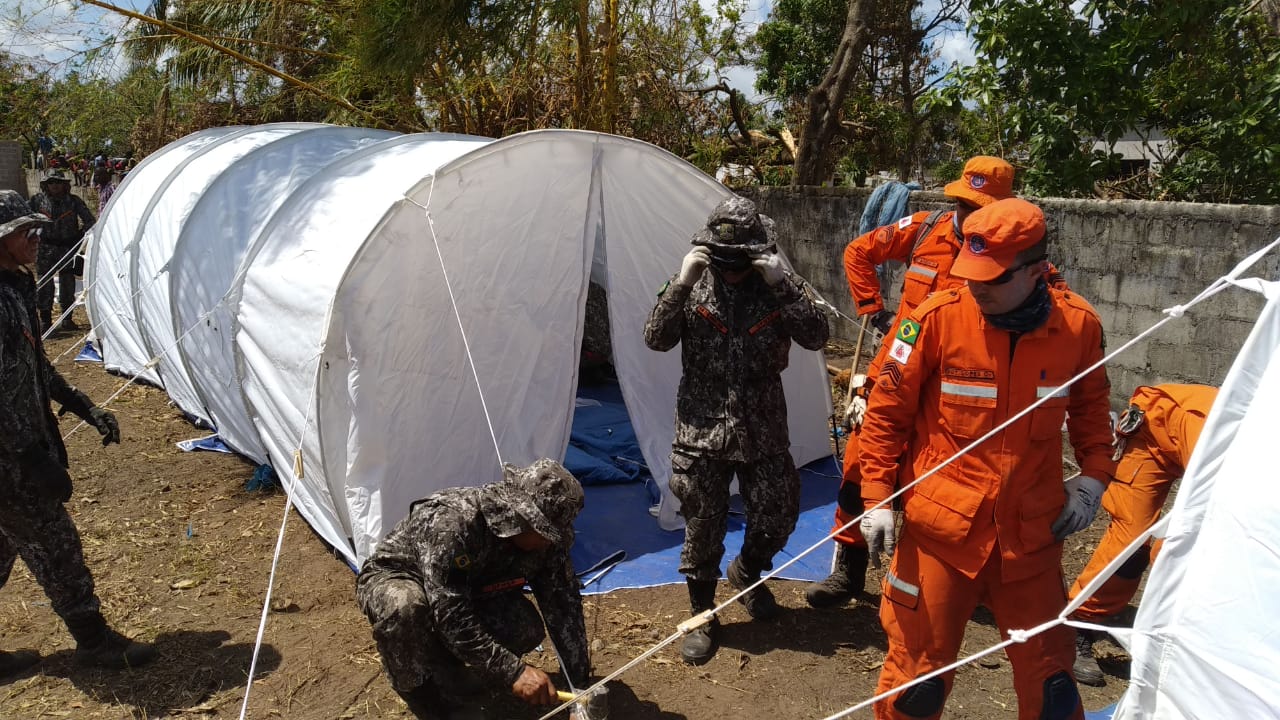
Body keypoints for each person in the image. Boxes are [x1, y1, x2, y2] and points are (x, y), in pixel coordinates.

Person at [857, 197, 1115, 720]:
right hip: (941, 536)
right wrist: (877, 498)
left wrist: (1092, 480)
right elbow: (886, 416)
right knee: (915, 685)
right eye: (971, 274)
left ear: (1038, 268)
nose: (976, 287)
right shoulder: (936, 320)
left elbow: (1092, 410)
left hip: (1031, 537)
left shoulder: (1079, 328)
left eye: (992, 279)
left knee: (1053, 689)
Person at [808, 156, 1071, 608]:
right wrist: (873, 308)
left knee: (943, 479)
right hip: (898, 365)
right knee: (859, 466)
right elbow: (859, 252)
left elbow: (1058, 309)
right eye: (963, 203)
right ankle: (848, 574)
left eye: (981, 205)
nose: (968, 214)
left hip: (959, 384)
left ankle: (933, 584)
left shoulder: (1019, 259)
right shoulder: (926, 229)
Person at [644, 196, 830, 665]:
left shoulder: (776, 283)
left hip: (762, 425)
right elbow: (655, 338)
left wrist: (782, 284)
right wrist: (681, 284)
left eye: (738, 260)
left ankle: (746, 571)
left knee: (780, 512)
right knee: (702, 525)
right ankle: (702, 613)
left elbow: (817, 335)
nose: (729, 270)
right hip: (701, 427)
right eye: (721, 259)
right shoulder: (694, 285)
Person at [0, 190, 157, 675]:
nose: (36, 238)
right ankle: (95, 641)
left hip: (19, 453)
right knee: (56, 546)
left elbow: (33, 367)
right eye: (25, 231)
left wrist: (83, 405)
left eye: (37, 229)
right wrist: (31, 458)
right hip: (11, 462)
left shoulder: (14, 289)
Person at [357, 459, 604, 720]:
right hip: (400, 576)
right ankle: (422, 693)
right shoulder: (454, 522)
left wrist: (579, 689)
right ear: (520, 515)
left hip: (467, 590)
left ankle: (447, 668)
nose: (548, 541)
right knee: (405, 608)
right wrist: (512, 672)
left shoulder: (545, 543)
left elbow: (563, 607)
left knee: (524, 627)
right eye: (543, 531)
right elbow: (451, 614)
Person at [1068, 383, 1218, 686]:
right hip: (1154, 426)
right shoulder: (1232, 440)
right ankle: (1077, 627)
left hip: (1189, 441)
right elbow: (1195, 522)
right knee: (1134, 541)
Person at [28, 170, 95, 331]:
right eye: (51, 182)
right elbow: (24, 217)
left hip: (67, 248)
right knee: (44, 284)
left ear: (65, 184)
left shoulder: (73, 201)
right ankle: (45, 320)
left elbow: (90, 221)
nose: (55, 185)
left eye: (58, 182)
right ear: (46, 185)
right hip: (44, 249)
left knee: (67, 284)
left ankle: (67, 319)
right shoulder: (37, 201)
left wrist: (79, 237)